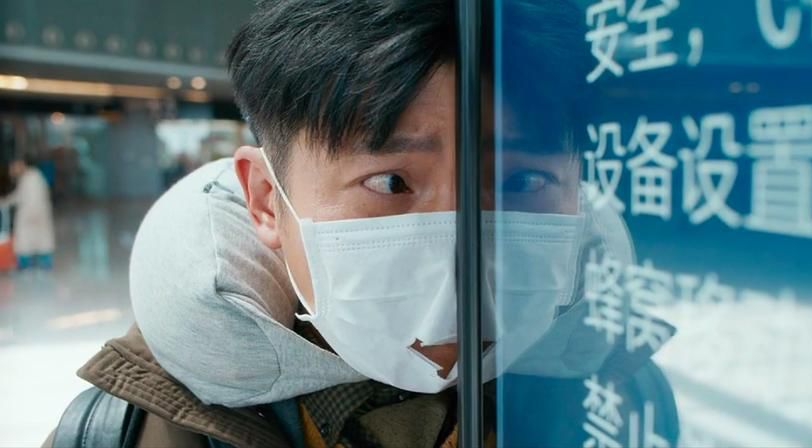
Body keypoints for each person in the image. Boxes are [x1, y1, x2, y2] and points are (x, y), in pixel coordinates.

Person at [45, 1, 675, 446]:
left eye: (522, 183)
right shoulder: (133, 432)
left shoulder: (622, 408)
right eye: (390, 182)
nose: (460, 265)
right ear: (266, 200)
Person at [2, 157, 55, 270]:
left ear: (21, 164)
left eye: (14, 168)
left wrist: (5, 202)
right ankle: (41, 261)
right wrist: (5, 201)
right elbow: (20, 195)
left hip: (30, 213)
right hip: (39, 213)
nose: (13, 171)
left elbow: (22, 197)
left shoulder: (31, 177)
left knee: (26, 238)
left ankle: (27, 262)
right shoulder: (32, 176)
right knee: (39, 237)